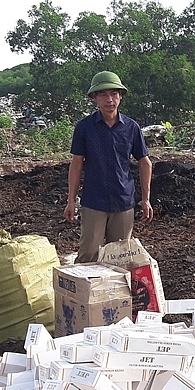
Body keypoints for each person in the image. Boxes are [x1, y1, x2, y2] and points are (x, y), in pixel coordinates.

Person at [63, 71, 153, 263]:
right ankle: (85, 294)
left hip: (123, 202)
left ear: (120, 96)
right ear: (95, 97)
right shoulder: (84, 128)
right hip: (94, 201)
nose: (109, 99)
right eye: (103, 94)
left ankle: (115, 294)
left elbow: (145, 163)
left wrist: (145, 200)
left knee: (120, 258)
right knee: (88, 255)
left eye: (114, 94)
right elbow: (77, 163)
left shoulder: (131, 128)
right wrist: (71, 200)